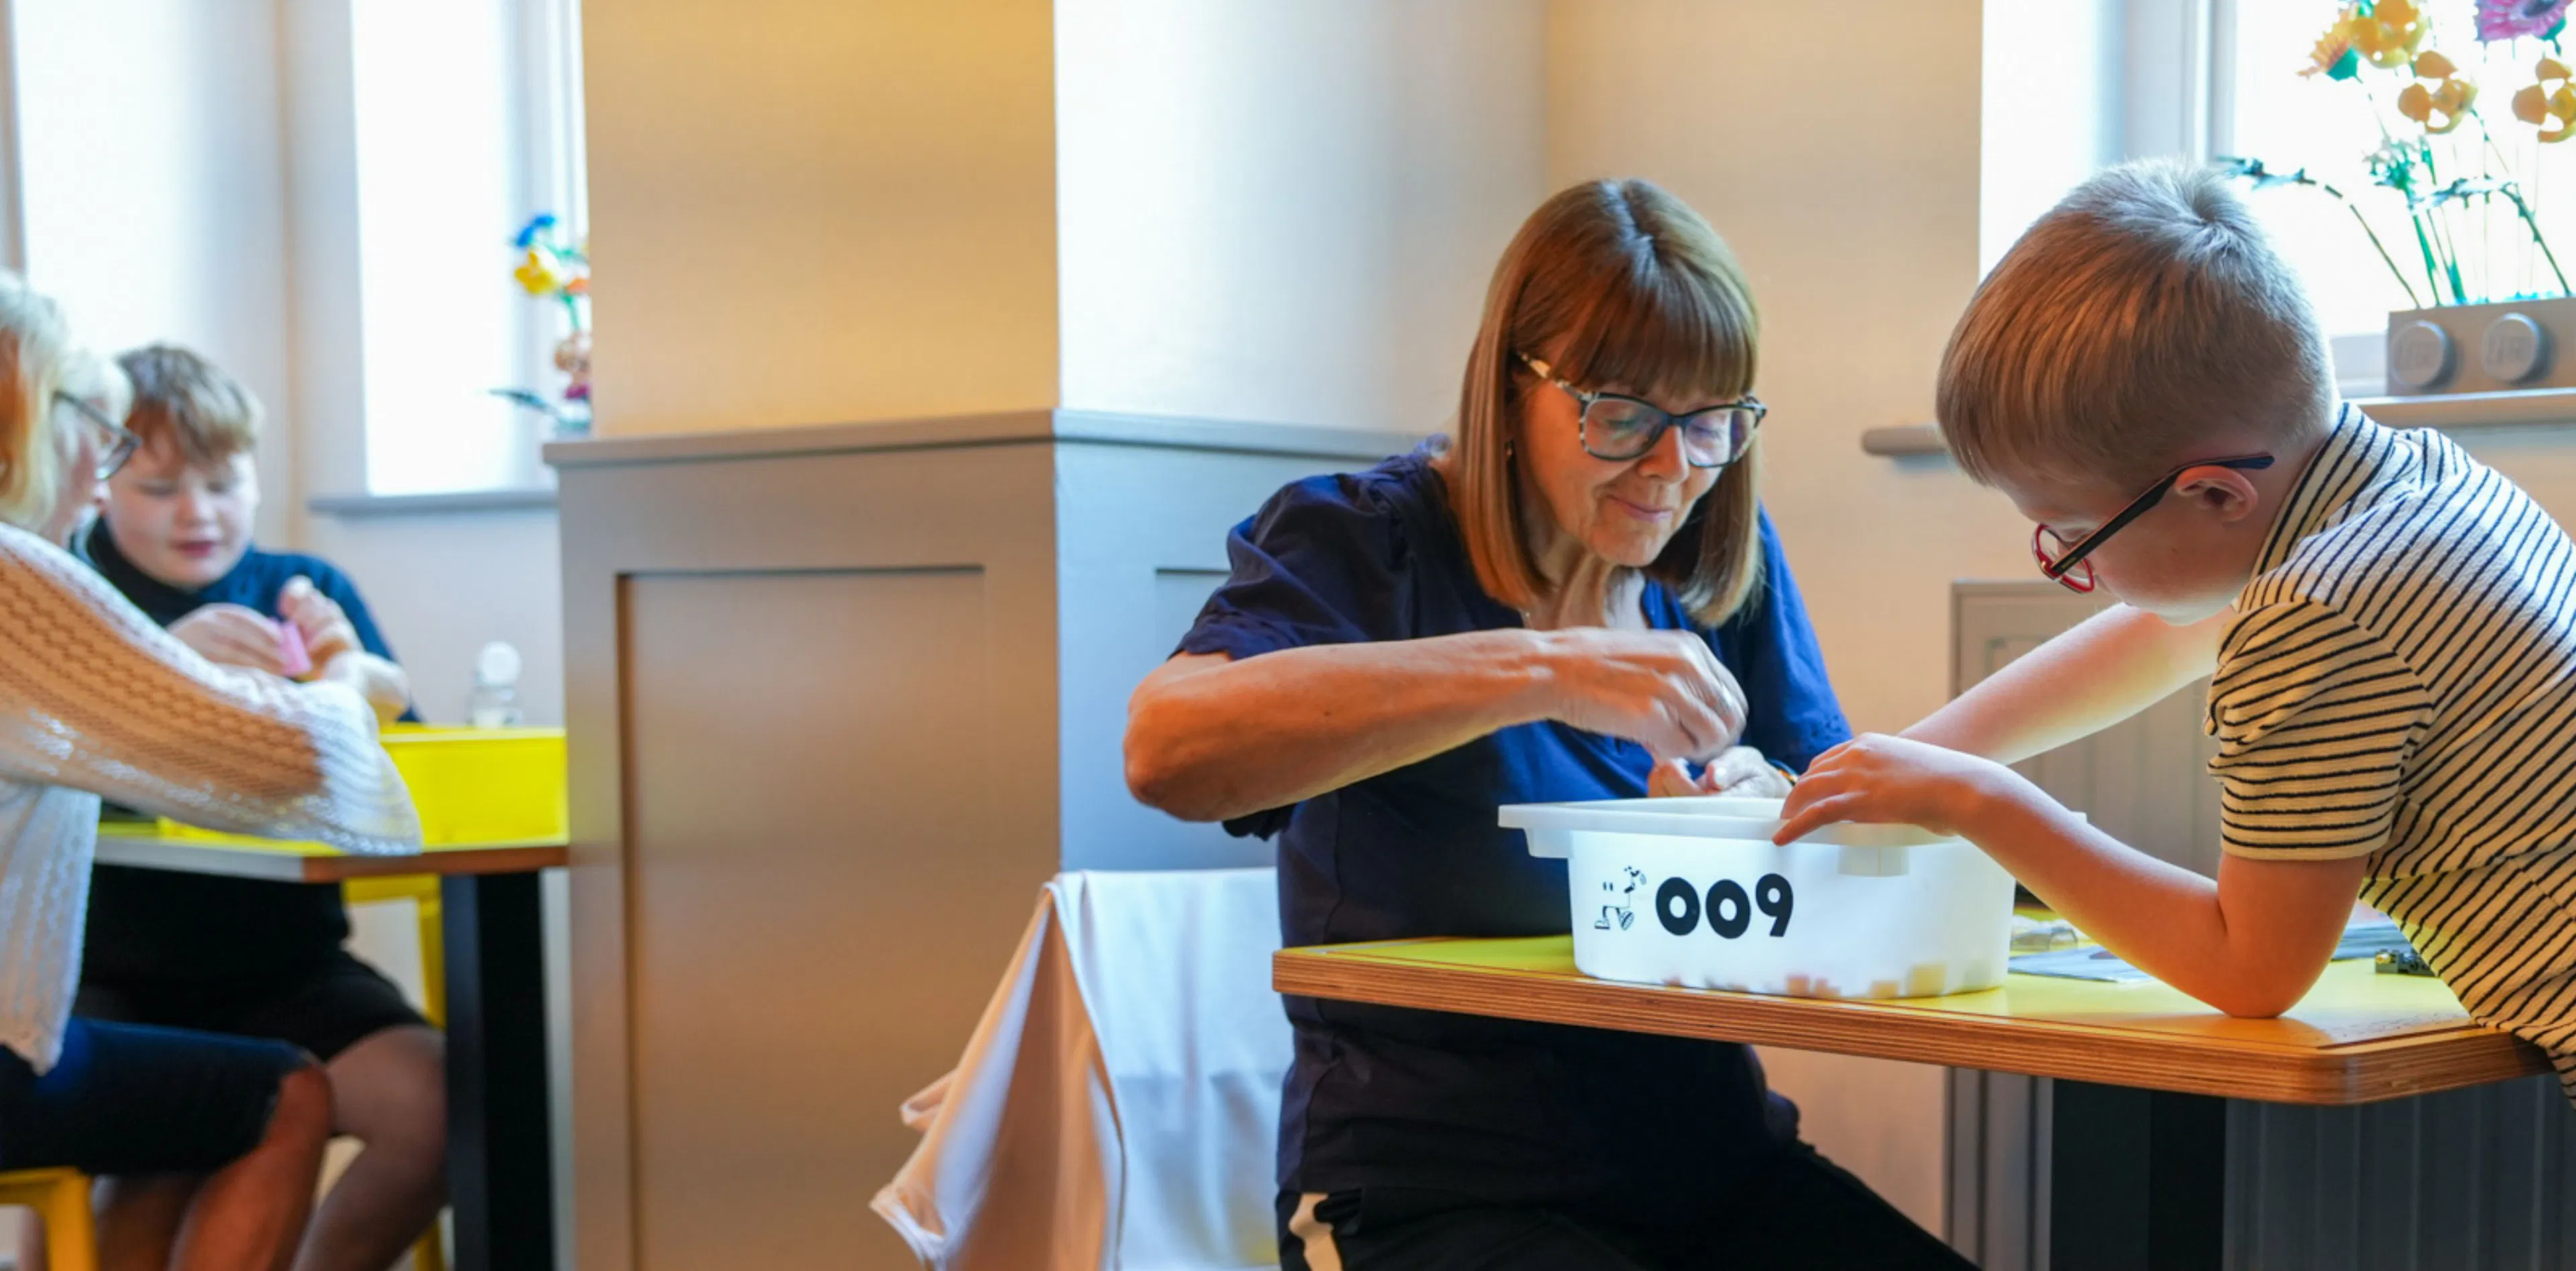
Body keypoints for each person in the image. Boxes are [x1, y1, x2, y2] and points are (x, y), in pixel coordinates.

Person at [1125, 179, 1966, 1269]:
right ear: (1511, 388)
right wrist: (1545, 667)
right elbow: (1169, 751)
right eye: (1622, 413)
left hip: (1713, 1167)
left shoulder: (1719, 573)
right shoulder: (1367, 544)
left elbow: (1846, 860)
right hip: (1430, 1192)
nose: (1674, 469)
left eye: (1709, 420)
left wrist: (1765, 822)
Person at [1776, 159, 2576, 1098]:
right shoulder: (2415, 489)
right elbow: (2167, 632)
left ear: (2212, 492)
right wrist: (1901, 762)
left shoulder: (2318, 612)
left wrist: (1976, 801)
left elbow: (2252, 971)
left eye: (2074, 537)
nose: (2072, 568)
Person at [0, 277, 418, 1271]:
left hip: (271, 968)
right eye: (99, 440)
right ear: (30, 424)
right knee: (282, 1096)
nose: (99, 483)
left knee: (208, 1105)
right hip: (56, 1018)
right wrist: (351, 678)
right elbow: (294, 760)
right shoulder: (23, 579)